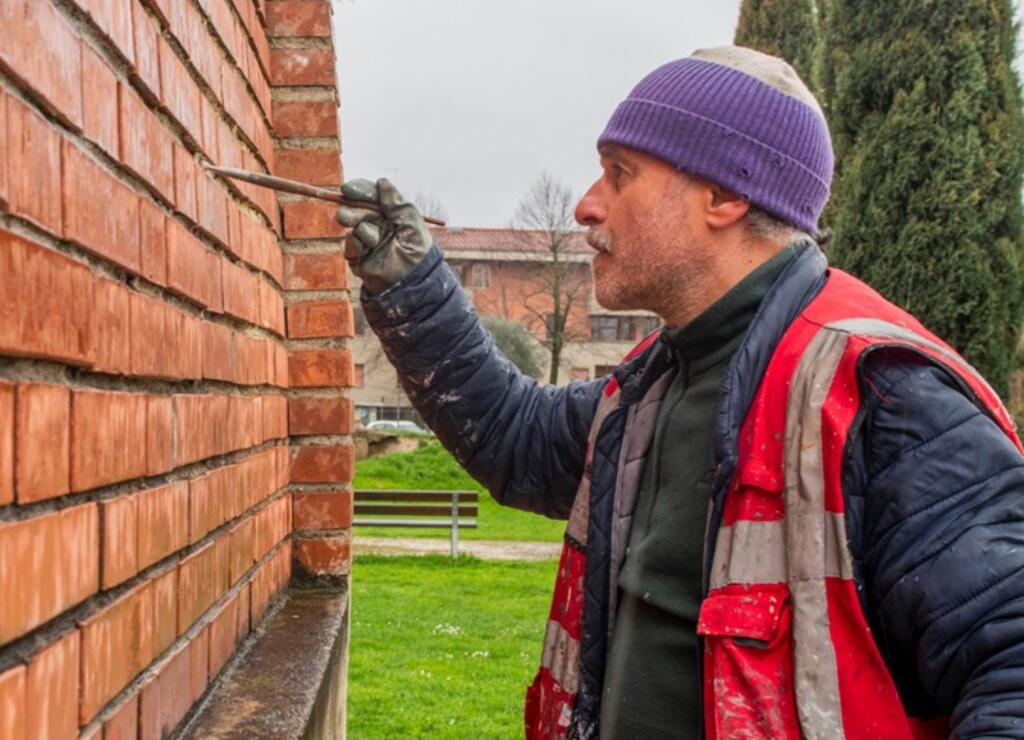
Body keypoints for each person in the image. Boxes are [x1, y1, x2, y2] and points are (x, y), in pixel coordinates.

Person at [336, 46, 1024, 740]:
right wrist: (410, 285)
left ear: (724, 196)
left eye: (620, 173)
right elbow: (517, 439)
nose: (586, 204)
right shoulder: (654, 382)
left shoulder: (885, 394)